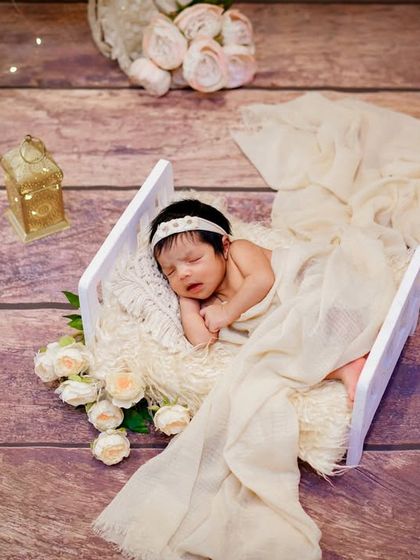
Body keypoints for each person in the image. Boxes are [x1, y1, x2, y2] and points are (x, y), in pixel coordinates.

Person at [149, 198, 365, 402]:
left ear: (223, 246)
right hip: (288, 326)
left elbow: (263, 280)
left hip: (301, 291)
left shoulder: (238, 251)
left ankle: (350, 338)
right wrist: (187, 302)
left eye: (193, 260)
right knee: (275, 362)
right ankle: (345, 367)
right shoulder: (208, 303)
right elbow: (202, 341)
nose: (183, 273)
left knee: (322, 303)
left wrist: (227, 313)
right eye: (170, 272)